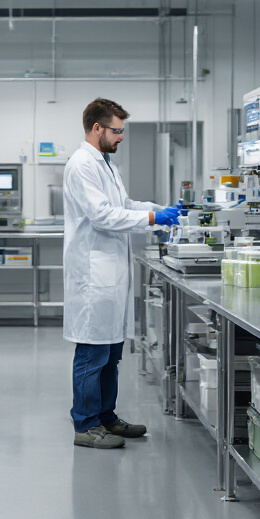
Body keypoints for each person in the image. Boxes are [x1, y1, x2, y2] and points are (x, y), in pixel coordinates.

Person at [63, 98, 182, 449]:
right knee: (92, 355)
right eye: (116, 131)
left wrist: (163, 210)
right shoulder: (82, 165)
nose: (121, 137)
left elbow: (124, 207)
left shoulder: (106, 165)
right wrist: (152, 221)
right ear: (96, 128)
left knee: (112, 354)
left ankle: (106, 418)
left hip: (111, 276)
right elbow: (102, 215)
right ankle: (85, 425)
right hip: (92, 275)